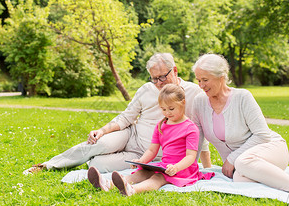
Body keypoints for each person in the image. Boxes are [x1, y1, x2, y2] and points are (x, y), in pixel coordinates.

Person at [24, 53, 211, 174]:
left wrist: (205, 165)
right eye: (155, 79)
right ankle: (47, 165)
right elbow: (127, 116)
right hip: (132, 136)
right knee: (99, 143)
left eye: (164, 76)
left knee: (98, 165)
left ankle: (91, 161)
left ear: (175, 70)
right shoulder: (146, 89)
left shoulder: (193, 93)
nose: (160, 82)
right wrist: (103, 130)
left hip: (153, 154)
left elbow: (200, 131)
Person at [191, 53, 289, 203]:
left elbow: (262, 135)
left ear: (221, 77)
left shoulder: (242, 97)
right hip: (242, 166)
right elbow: (196, 139)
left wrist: (231, 159)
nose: (201, 85)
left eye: (205, 80)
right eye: (198, 80)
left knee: (242, 162)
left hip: (270, 148)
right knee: (239, 179)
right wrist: (188, 167)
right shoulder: (199, 102)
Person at [87, 84, 215, 196]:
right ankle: (108, 184)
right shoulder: (161, 125)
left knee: (158, 178)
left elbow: (190, 157)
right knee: (142, 173)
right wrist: (141, 161)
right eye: (163, 109)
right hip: (165, 165)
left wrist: (176, 168)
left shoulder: (190, 128)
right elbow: (152, 150)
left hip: (183, 169)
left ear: (183, 102)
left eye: (171, 109)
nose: (167, 113)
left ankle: (132, 190)